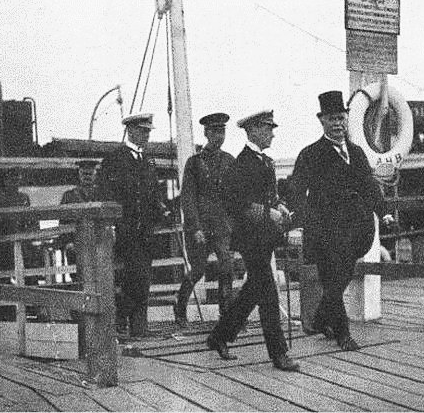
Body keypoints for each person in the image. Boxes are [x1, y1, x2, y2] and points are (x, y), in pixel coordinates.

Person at [289, 91, 393, 351]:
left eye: (341, 118)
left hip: (355, 232)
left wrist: (384, 213)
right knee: (332, 281)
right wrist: (299, 224)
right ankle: (343, 335)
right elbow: (296, 191)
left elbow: (369, 186)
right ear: (321, 121)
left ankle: (320, 319)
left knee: (340, 279)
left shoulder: (356, 153)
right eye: (332, 119)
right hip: (324, 230)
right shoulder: (310, 154)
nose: (337, 124)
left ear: (347, 119)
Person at [206, 110, 299, 372]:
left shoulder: (265, 161)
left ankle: (219, 336)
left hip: (265, 237)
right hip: (250, 240)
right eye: (268, 129)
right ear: (253, 130)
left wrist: (279, 206)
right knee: (268, 294)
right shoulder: (242, 164)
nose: (272, 134)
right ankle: (279, 354)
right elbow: (234, 202)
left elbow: (269, 196)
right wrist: (267, 212)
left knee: (252, 292)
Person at [99, 113, 168, 337]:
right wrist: (112, 224)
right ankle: (121, 320)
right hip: (125, 230)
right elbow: (106, 194)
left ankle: (139, 326)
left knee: (143, 277)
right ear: (130, 131)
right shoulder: (114, 159)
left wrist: (163, 209)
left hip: (145, 230)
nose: (147, 135)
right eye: (142, 131)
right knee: (130, 278)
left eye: (148, 131)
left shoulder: (148, 160)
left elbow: (154, 192)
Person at [174, 112, 235, 327]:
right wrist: (195, 227)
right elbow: (188, 197)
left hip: (221, 226)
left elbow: (234, 196)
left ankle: (226, 314)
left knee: (226, 267)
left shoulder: (229, 161)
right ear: (206, 133)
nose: (219, 136)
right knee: (198, 269)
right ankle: (180, 307)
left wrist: (232, 224)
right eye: (215, 132)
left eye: (222, 131)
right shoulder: (194, 163)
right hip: (200, 227)